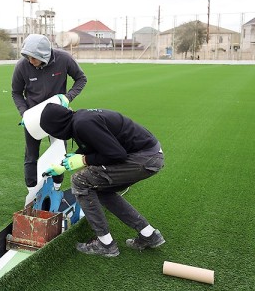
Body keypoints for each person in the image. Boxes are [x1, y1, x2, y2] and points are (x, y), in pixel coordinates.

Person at [40, 103, 165, 257]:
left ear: (57, 128)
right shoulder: (80, 119)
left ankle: (105, 244)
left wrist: (84, 160)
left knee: (80, 180)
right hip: (148, 155)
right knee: (100, 189)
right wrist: (63, 166)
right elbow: (97, 145)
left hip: (145, 158)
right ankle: (149, 235)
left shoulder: (82, 124)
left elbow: (117, 154)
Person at [11, 33, 87, 203]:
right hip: (33, 116)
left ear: (44, 55)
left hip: (58, 115)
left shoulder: (64, 59)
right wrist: (24, 112)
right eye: (28, 57)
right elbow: (16, 92)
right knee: (31, 155)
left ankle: (57, 188)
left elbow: (81, 79)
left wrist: (68, 97)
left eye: (34, 58)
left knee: (59, 151)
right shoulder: (22, 66)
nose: (30, 61)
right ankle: (31, 192)